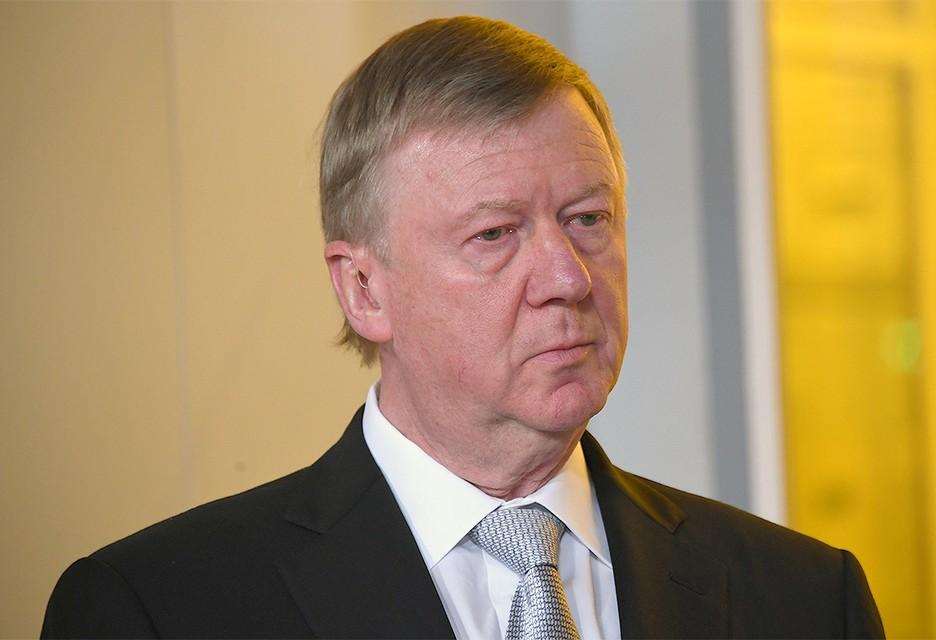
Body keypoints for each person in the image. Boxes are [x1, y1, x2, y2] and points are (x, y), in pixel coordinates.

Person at [41, 15, 884, 639]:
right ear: (364, 290)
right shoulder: (157, 609)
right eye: (494, 234)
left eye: (588, 219)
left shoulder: (806, 599)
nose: (568, 279)